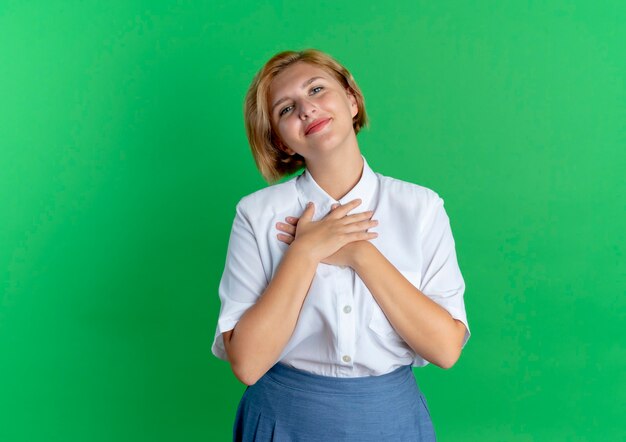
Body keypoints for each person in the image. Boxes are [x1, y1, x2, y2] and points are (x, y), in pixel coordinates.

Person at [211, 48, 470, 441]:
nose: (306, 109)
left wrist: (359, 253)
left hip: (391, 420)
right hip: (282, 419)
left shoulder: (421, 208)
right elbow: (247, 365)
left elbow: (446, 350)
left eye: (317, 89)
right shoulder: (256, 214)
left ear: (352, 99)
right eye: (285, 109)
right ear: (281, 142)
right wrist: (304, 252)